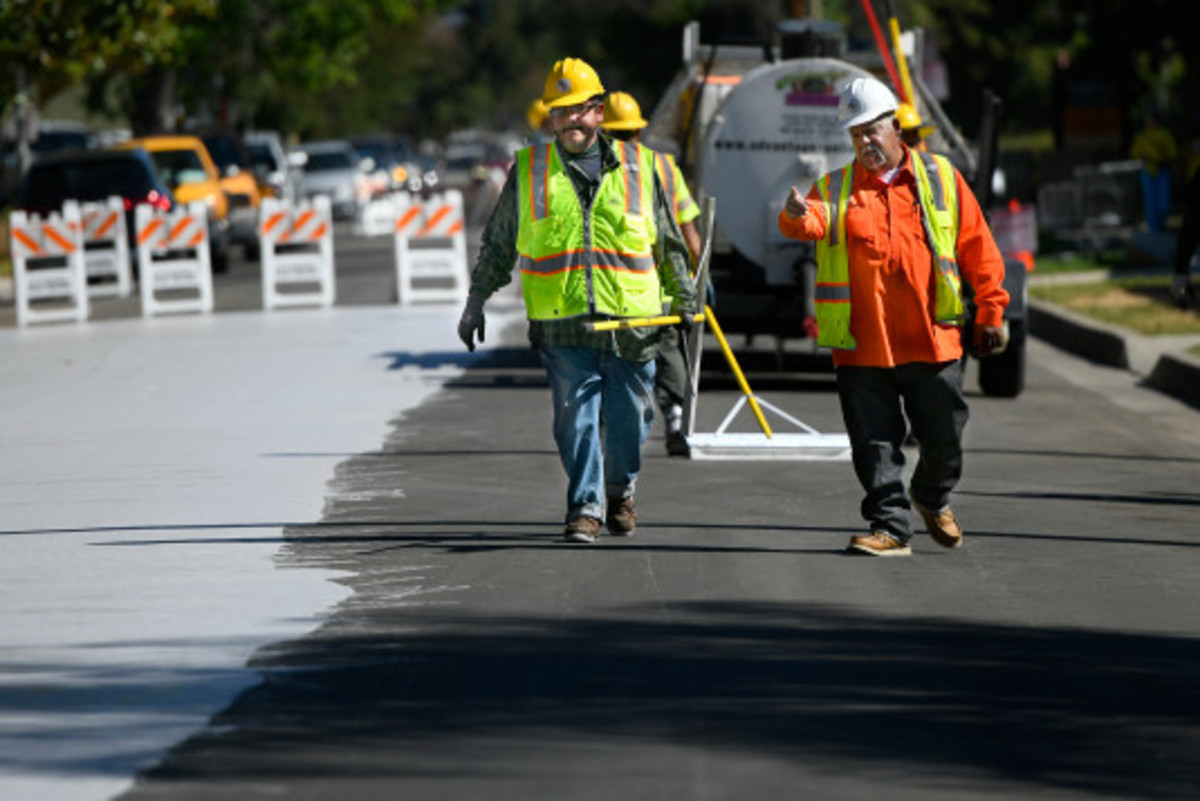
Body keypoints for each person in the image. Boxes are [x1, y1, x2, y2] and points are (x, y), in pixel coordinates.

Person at [457, 58, 697, 544]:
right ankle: (585, 507)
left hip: (634, 323)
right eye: (559, 112)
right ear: (550, 118)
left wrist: (684, 295)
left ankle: (621, 489)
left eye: (578, 110)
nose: (569, 121)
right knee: (576, 416)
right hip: (564, 324)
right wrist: (476, 300)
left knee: (633, 416)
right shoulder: (529, 170)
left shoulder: (642, 167)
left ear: (598, 111)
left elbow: (669, 243)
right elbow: (500, 243)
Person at [778, 76, 1009, 557]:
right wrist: (796, 215)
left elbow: (977, 247)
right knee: (874, 444)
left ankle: (930, 495)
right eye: (855, 134)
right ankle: (889, 527)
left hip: (931, 338)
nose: (864, 142)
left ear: (895, 128)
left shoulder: (941, 179)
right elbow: (812, 221)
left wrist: (991, 308)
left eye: (871, 131)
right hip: (863, 345)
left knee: (944, 439)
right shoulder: (836, 186)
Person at [600, 90, 702, 456]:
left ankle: (610, 422)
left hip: (613, 289)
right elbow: (690, 233)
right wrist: (698, 278)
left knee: (615, 356)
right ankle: (674, 419)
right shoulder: (663, 166)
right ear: (638, 132)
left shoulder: (593, 168)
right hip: (663, 287)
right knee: (669, 349)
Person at [1130, 110, 1178, 233]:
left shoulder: (1165, 134)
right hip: (1148, 171)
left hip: (1162, 170)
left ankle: (1161, 223)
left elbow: (1172, 153)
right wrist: (1142, 158)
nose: (1149, 122)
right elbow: (1135, 154)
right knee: (1150, 203)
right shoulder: (1142, 136)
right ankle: (1154, 229)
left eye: (1151, 119)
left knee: (1163, 203)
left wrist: (1164, 158)